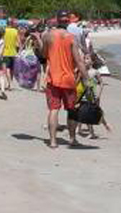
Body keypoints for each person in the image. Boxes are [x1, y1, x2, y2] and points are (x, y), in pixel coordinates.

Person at [42, 10, 89, 149]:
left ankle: (52, 141)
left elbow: (44, 55)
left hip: (52, 79)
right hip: (68, 79)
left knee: (53, 110)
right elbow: (79, 61)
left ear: (57, 20)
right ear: (68, 21)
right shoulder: (71, 38)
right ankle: (72, 139)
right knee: (71, 110)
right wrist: (86, 78)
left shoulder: (48, 36)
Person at [1, 19, 20, 90]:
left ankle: (10, 84)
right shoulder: (15, 31)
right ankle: (10, 83)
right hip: (13, 53)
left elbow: (1, 41)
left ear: (6, 23)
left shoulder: (4, 31)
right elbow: (18, 43)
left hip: (5, 52)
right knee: (12, 69)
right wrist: (19, 51)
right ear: (12, 24)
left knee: (7, 69)